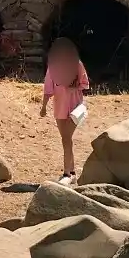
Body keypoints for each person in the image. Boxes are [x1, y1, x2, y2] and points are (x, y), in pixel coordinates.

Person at [40, 37, 90, 183]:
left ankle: (67, 174)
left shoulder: (77, 65)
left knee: (66, 138)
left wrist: (73, 88)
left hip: (76, 108)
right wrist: (43, 107)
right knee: (65, 139)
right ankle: (73, 173)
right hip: (59, 107)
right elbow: (48, 88)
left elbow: (85, 84)